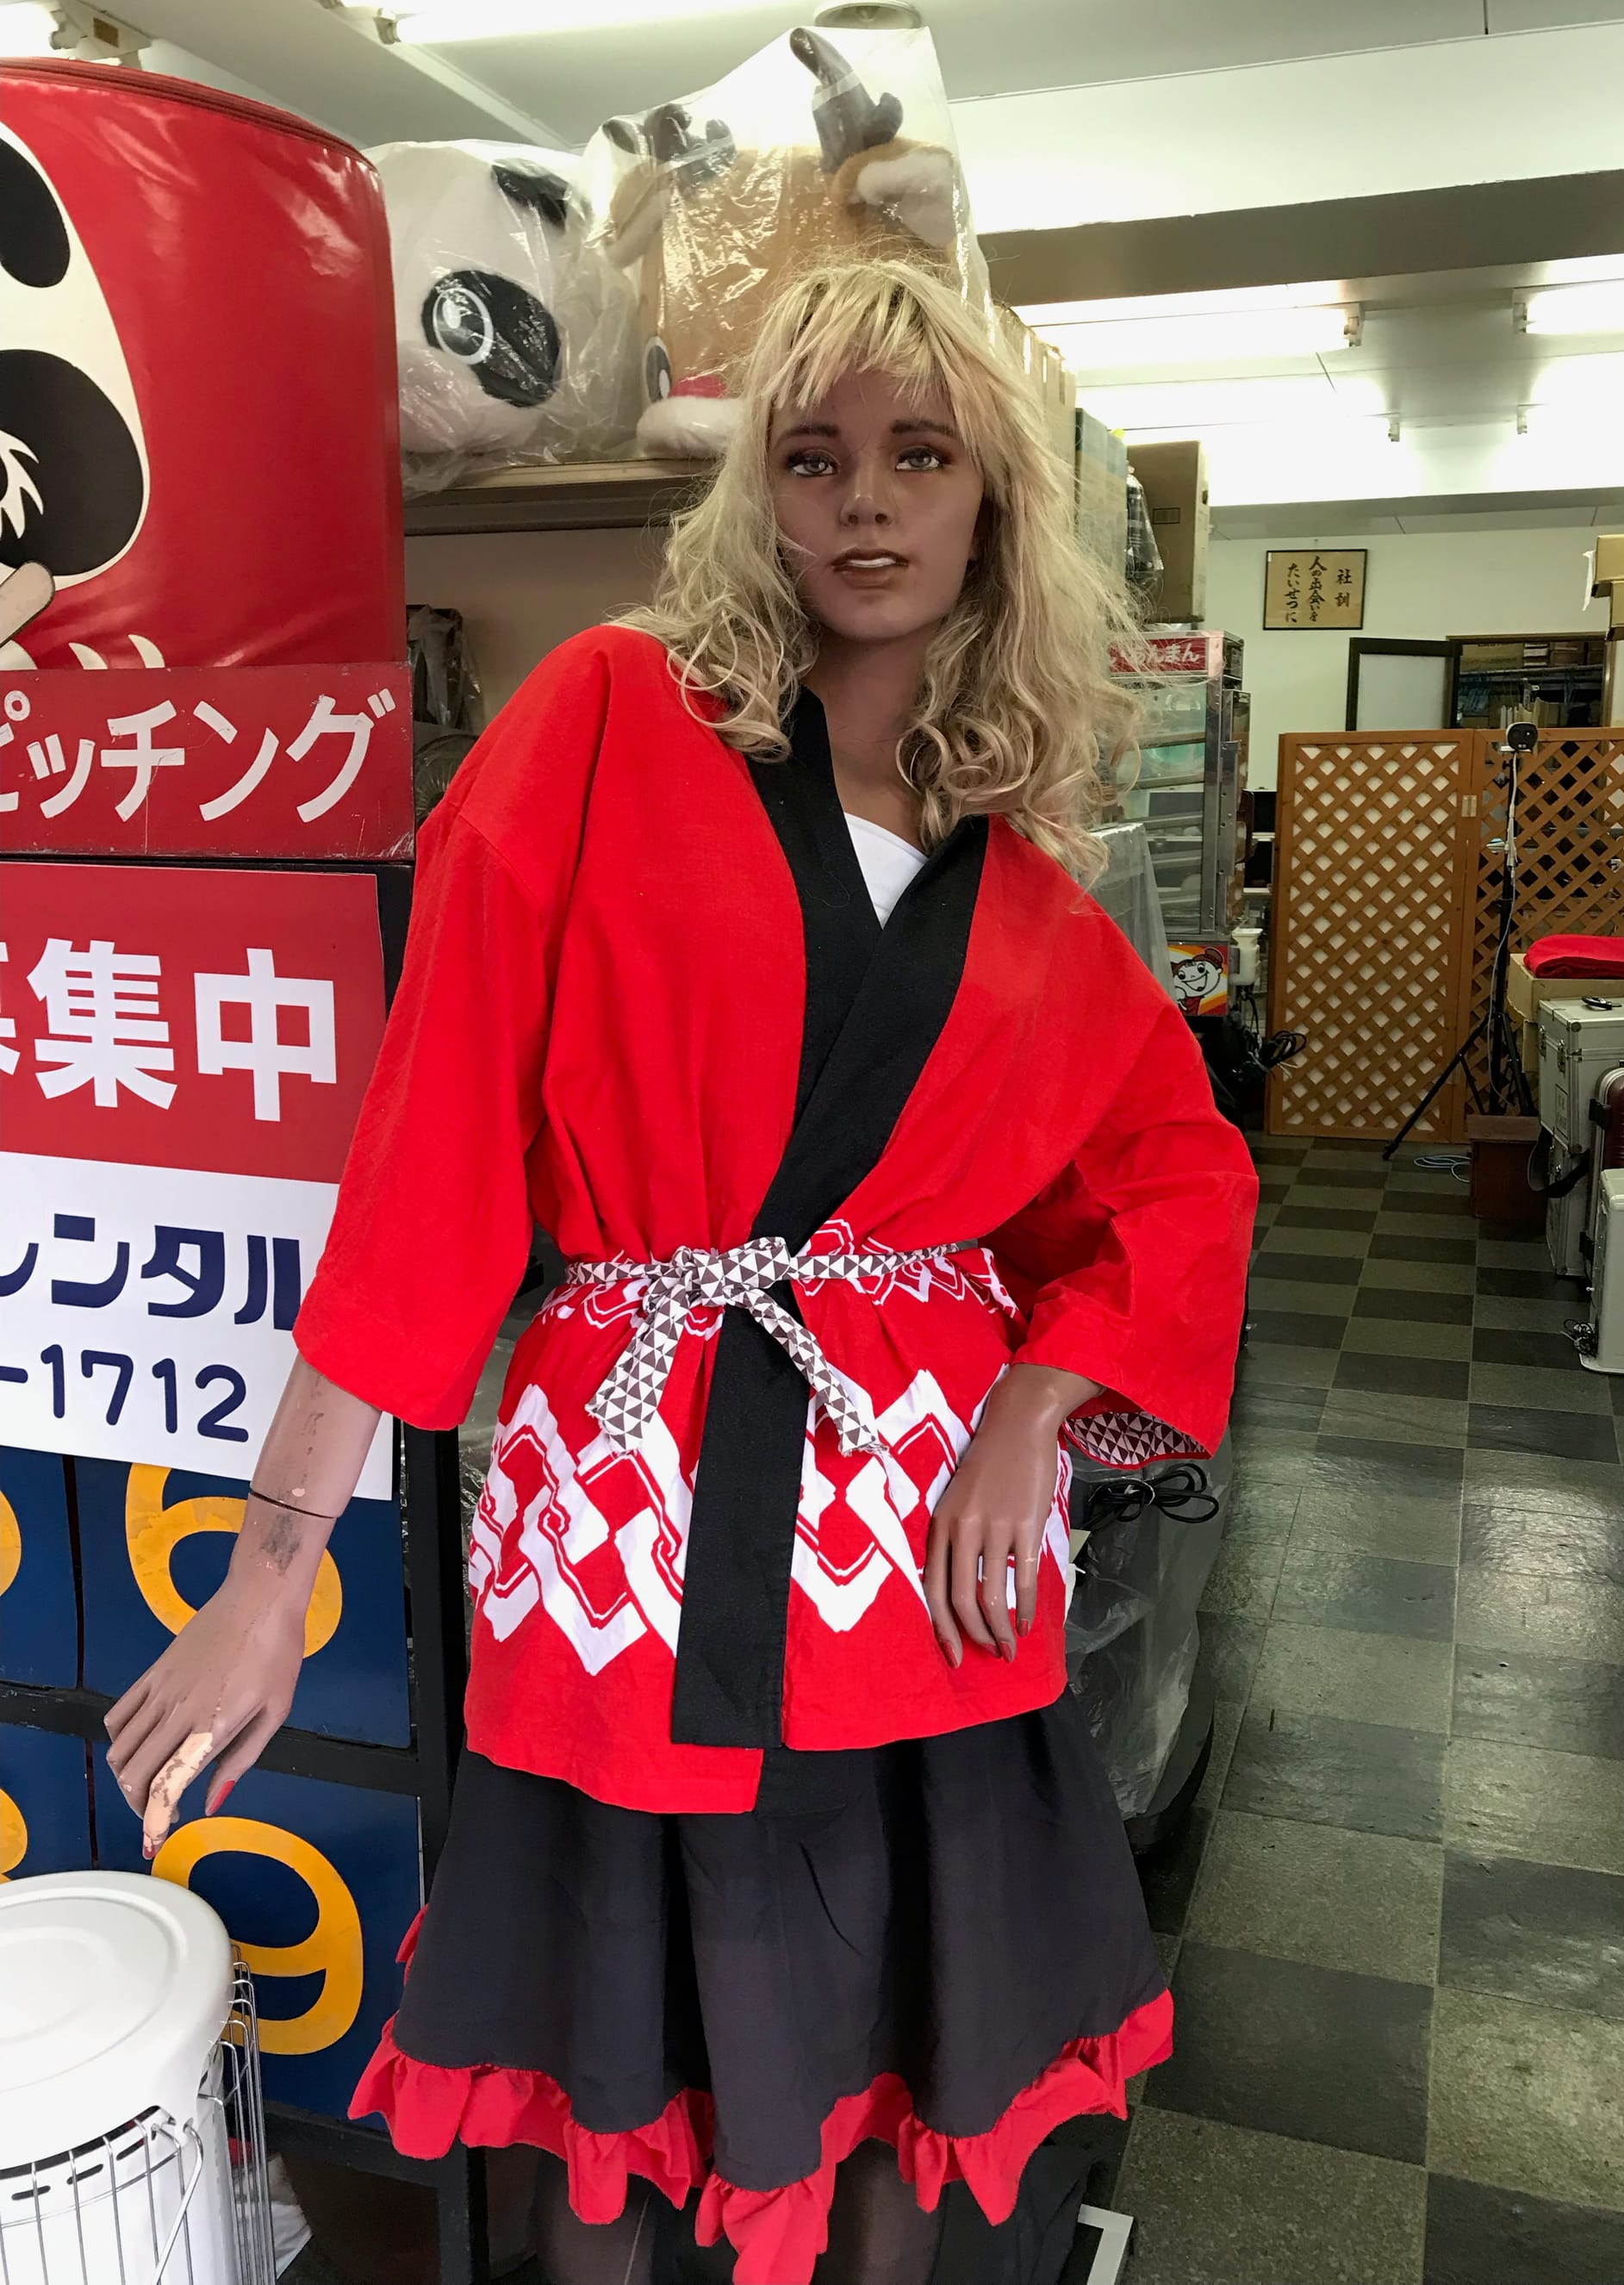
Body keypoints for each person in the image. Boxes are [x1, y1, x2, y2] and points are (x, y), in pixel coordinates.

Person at [104, 258, 1255, 2285]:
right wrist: (265, 1574)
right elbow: (431, 1158)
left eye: (919, 456)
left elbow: (1169, 1165)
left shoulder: (1020, 855)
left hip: (912, 1534)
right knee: (611, 2073)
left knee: (915, 2043)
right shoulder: (604, 721)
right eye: (812, 460)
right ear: (759, 499)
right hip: (628, 1513)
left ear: (994, 498)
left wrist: (1033, 1400)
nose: (865, 504)